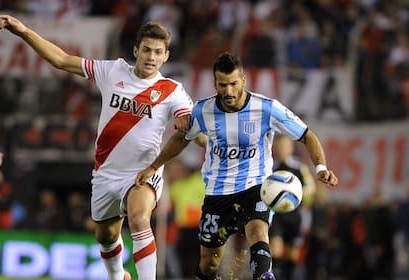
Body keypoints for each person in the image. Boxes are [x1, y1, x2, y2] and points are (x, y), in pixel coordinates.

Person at [0, 15, 193, 280]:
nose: (151, 57)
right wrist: (23, 31)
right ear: (136, 50)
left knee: (138, 217)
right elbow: (61, 59)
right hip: (106, 174)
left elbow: (189, 126)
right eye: (146, 50)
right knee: (106, 236)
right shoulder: (112, 71)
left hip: (143, 172)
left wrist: (185, 125)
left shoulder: (173, 91)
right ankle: (117, 277)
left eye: (158, 52)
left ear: (166, 56)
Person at [135, 53, 339, 280]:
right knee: (209, 263)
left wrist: (321, 168)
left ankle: (263, 275)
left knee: (258, 231)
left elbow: (306, 135)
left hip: (255, 187)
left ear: (243, 80)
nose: (229, 91)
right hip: (217, 193)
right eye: (223, 85)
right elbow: (181, 138)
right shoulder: (204, 110)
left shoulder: (267, 108)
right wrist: (154, 166)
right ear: (215, 84)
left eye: (233, 83)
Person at [270, 134, 316, 280]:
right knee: (275, 250)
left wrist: (294, 191)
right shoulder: (269, 167)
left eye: (284, 146)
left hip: (294, 215)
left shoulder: (299, 167)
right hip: (275, 215)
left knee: (292, 255)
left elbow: (311, 188)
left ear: (290, 148)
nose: (281, 150)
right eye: (278, 147)